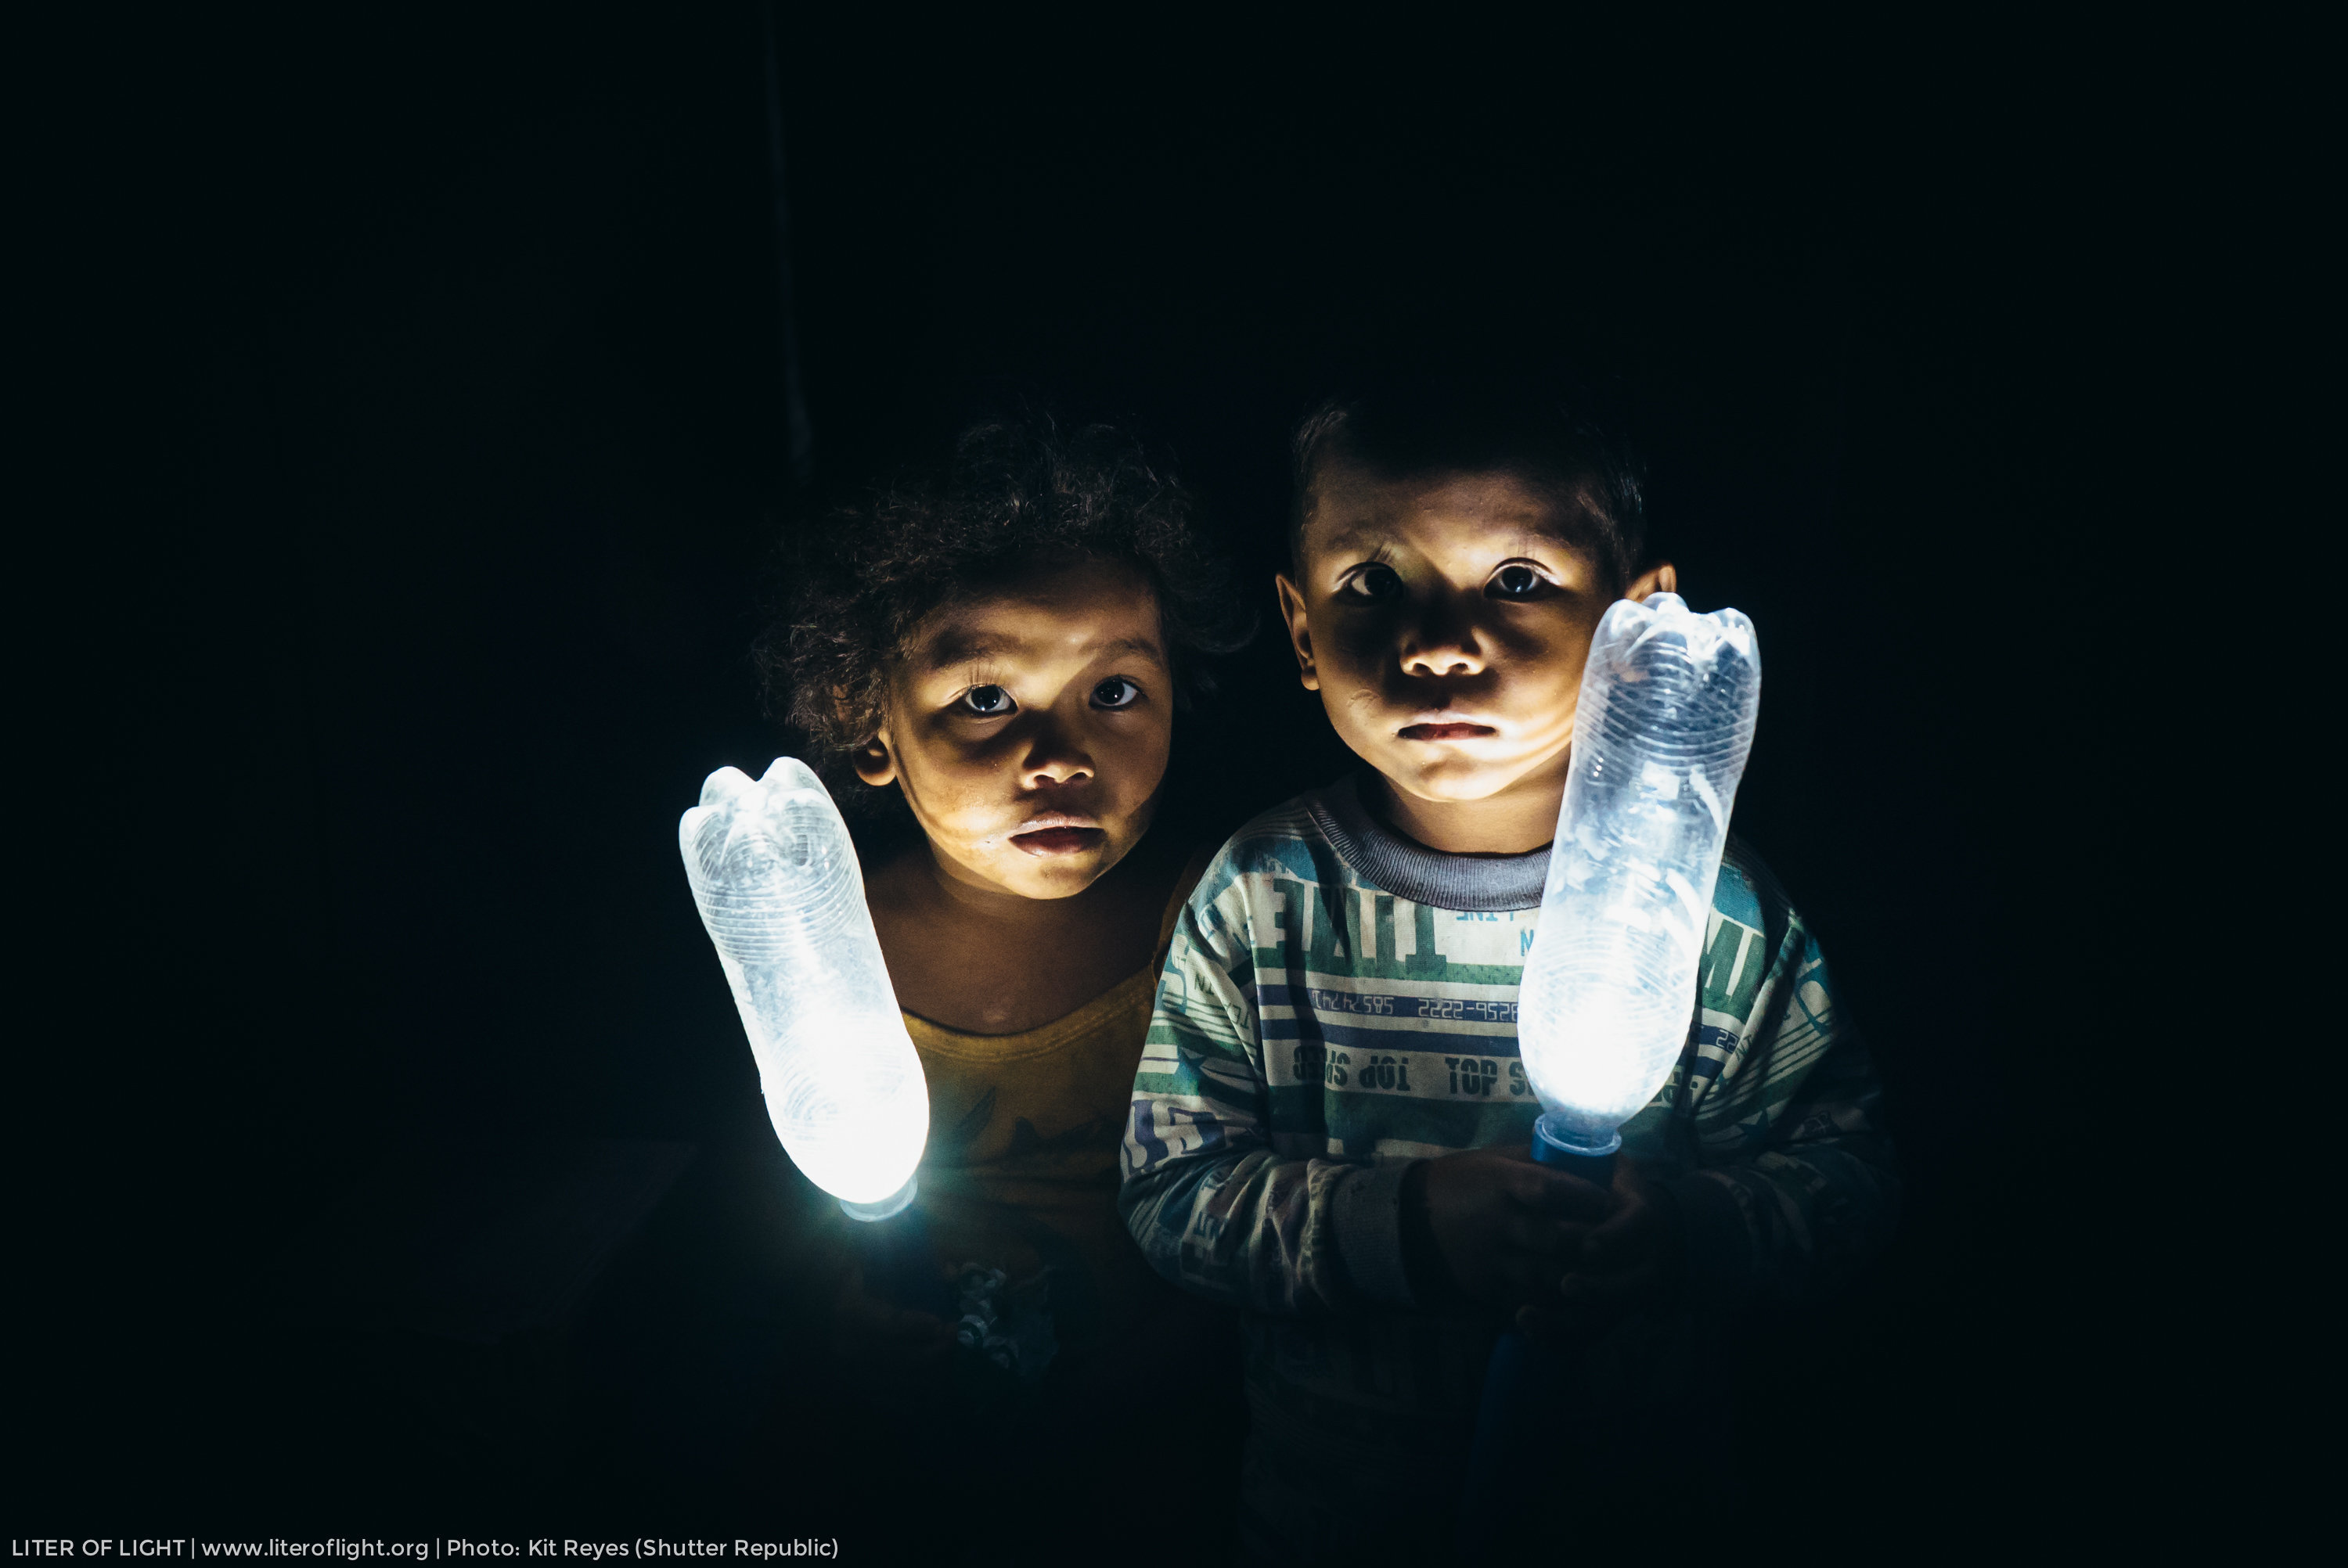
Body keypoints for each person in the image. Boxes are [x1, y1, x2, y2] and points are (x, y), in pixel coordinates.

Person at [1119, 379, 1900, 1561]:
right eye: (1372, 583)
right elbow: (1171, 1196)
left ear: (1638, 628)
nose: (1437, 643)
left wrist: (1684, 1235)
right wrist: (1409, 1226)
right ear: (1299, 633)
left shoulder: (1713, 920)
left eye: (1519, 581)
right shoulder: (1258, 898)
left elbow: (1847, 1180)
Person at [753, 414, 1250, 1545]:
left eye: (1114, 691)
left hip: (1159, 1446)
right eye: (985, 699)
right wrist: (844, 1320)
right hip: (901, 1445)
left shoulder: (1211, 922)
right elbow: (770, 1218)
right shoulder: (829, 945)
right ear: (871, 727)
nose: (1060, 752)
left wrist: (1146, 1382)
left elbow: (1259, 1202)